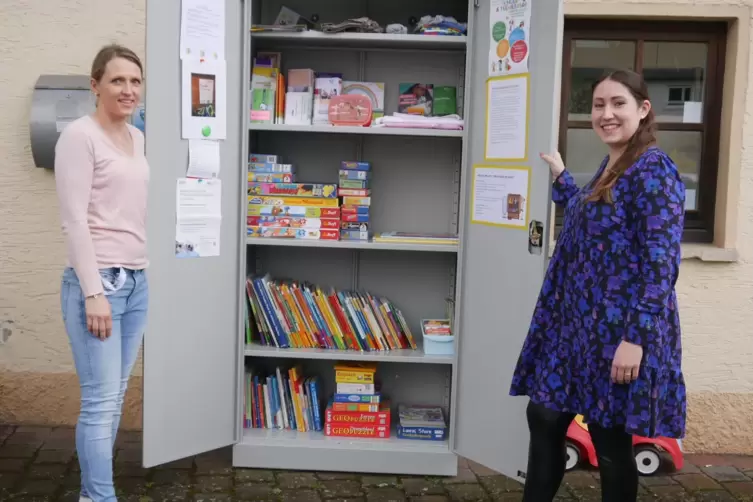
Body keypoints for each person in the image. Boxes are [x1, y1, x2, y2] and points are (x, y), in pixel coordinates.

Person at [509, 69, 686, 502]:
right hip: (578, 329)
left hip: (619, 333)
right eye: (598, 105)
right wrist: (561, 176)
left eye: (618, 104)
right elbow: (591, 218)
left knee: (609, 441)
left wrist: (635, 340)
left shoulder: (654, 171)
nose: (606, 114)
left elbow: (661, 264)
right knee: (545, 416)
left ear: (643, 110)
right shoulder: (614, 163)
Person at [54, 44, 150, 502]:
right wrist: (93, 292)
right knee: (99, 403)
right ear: (95, 86)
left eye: (135, 81)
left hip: (136, 283)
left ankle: (94, 492)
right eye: (117, 80)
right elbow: (74, 220)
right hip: (100, 286)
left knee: (113, 401)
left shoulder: (138, 137)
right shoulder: (79, 136)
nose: (128, 90)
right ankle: (97, 497)